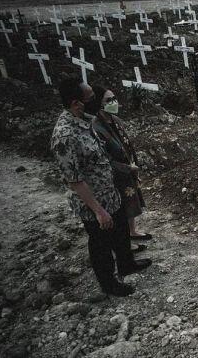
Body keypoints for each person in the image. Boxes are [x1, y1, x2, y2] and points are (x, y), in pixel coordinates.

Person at [50, 77, 151, 297]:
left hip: (110, 192)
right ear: (77, 103)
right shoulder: (65, 135)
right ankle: (109, 283)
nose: (95, 101)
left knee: (121, 230)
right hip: (94, 202)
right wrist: (98, 210)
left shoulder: (85, 121)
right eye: (91, 98)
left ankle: (127, 264)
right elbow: (75, 180)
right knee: (101, 243)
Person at [88, 86, 153, 248]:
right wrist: (126, 167)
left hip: (128, 167)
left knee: (131, 199)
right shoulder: (96, 127)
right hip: (115, 172)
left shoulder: (115, 120)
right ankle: (125, 241)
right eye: (108, 100)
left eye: (114, 98)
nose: (113, 102)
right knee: (121, 205)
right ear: (99, 104)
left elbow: (125, 143)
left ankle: (132, 231)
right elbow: (105, 157)